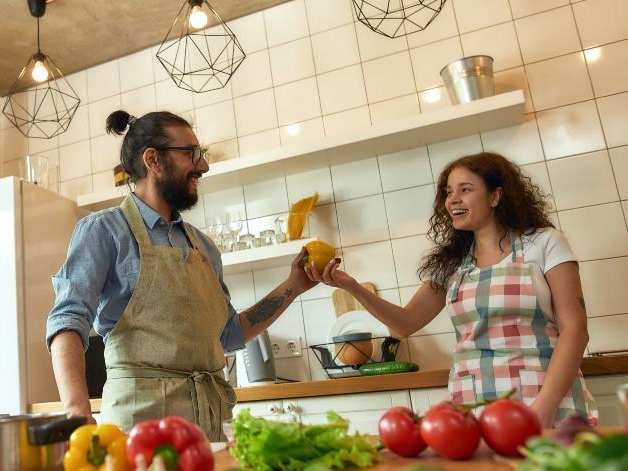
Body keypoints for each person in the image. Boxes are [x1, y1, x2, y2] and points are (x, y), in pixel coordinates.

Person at [46, 110, 317, 440]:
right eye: (192, 154)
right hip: (138, 429)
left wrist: (293, 286)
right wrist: (77, 412)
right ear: (154, 160)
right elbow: (67, 321)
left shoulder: (204, 247)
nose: (203, 166)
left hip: (211, 427)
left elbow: (230, 334)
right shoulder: (104, 231)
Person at [306, 152, 597, 427]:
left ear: (496, 196)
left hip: (544, 398)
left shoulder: (544, 243)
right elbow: (405, 323)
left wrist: (546, 404)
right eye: (448, 192)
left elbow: (575, 328)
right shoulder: (452, 263)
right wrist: (351, 285)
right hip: (474, 406)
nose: (452, 200)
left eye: (465, 189)